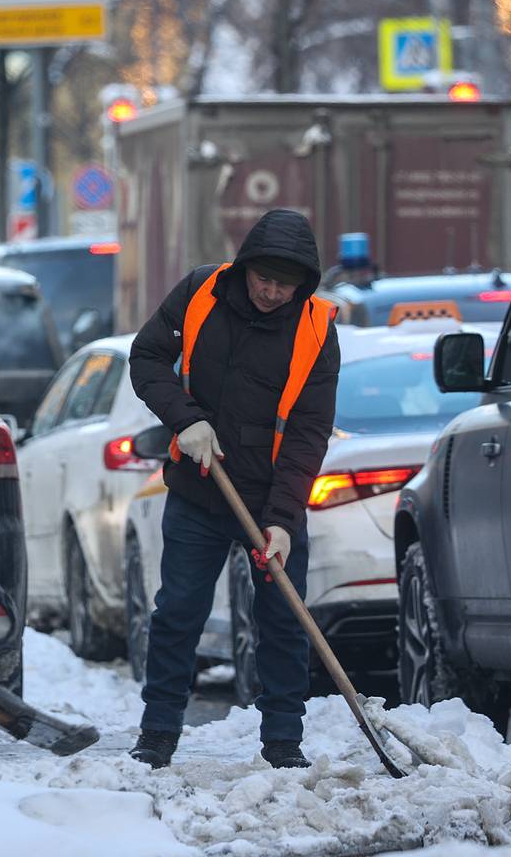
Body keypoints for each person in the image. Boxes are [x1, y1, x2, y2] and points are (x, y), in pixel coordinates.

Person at [127, 209, 340, 770]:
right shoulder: (202, 292)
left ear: (304, 283)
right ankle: (158, 733)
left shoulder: (317, 328)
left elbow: (308, 431)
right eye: (262, 278)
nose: (271, 292)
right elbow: (147, 357)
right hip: (200, 491)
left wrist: (283, 518)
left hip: (271, 498)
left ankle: (283, 741)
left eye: (284, 283)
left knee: (282, 617)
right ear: (244, 267)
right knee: (178, 612)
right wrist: (185, 418)